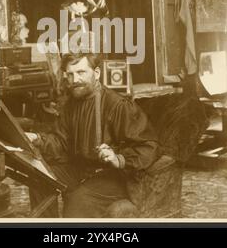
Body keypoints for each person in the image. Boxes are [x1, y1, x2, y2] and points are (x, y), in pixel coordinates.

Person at [29, 52, 159, 218]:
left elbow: (149, 146)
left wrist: (118, 158)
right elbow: (61, 142)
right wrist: (38, 139)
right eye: (70, 74)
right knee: (39, 177)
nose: (75, 80)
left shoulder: (118, 105)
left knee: (77, 203)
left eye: (81, 73)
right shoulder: (70, 105)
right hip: (79, 169)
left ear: (96, 73)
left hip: (111, 177)